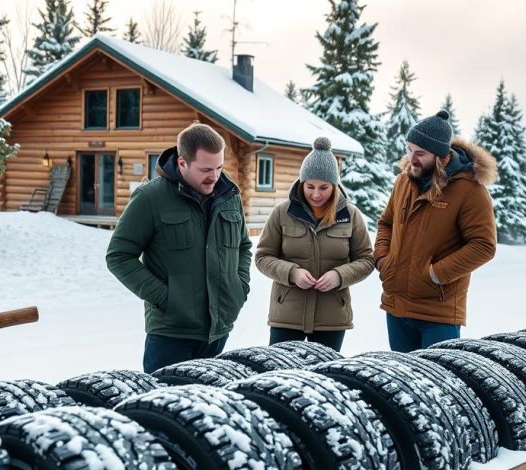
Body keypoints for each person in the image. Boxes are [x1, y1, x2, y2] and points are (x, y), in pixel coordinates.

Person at [107, 123, 251, 373]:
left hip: (218, 331)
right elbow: (119, 256)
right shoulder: (150, 198)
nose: (214, 176)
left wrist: (238, 288)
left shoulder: (229, 196)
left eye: (219, 167)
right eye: (205, 169)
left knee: (207, 407)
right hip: (171, 334)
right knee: (163, 408)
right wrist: (165, 298)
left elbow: (243, 247)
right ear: (182, 163)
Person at [374, 110, 498, 352]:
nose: (412, 159)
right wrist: (382, 259)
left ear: (441, 156)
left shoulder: (470, 190)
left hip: (438, 314)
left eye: (420, 153)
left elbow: (483, 245)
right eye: (409, 150)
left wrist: (436, 274)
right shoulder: (403, 182)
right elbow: (386, 223)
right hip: (396, 306)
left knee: (437, 386)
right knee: (401, 383)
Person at [254, 137, 374, 352]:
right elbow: (263, 257)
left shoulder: (351, 215)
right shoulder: (283, 212)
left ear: (335, 186)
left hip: (331, 318)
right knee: (280, 376)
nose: (316, 194)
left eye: (323, 187)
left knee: (323, 379)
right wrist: (291, 273)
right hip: (287, 316)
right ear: (301, 183)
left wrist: (339, 276)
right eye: (310, 186)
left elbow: (366, 259)